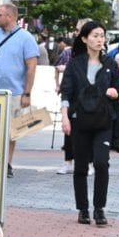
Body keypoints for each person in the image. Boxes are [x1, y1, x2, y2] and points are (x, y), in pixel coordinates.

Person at [60, 20, 119, 227]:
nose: (99, 39)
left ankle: (99, 208)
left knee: (102, 163)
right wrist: (65, 116)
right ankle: (83, 209)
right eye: (94, 35)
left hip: (103, 121)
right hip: (80, 121)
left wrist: (114, 93)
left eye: (102, 36)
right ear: (84, 38)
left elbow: (117, 89)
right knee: (81, 167)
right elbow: (66, 92)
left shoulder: (110, 64)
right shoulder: (75, 64)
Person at [0, 2, 38, 177]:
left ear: (10, 16)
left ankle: (7, 163)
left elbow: (31, 67)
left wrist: (27, 92)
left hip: (13, 92)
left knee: (12, 130)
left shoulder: (26, 38)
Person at [54, 36, 74, 174]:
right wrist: (57, 84)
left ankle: (89, 163)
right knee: (68, 130)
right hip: (70, 92)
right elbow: (57, 67)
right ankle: (68, 163)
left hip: (89, 96)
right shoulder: (68, 52)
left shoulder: (96, 52)